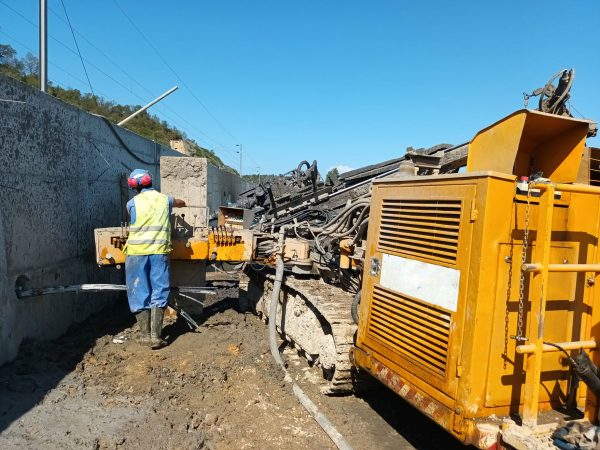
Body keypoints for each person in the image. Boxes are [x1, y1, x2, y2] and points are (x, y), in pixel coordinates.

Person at [124, 169, 186, 349]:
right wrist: (181, 202)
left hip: (136, 252)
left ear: (134, 186)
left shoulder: (131, 203)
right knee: (160, 288)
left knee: (138, 290)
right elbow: (180, 202)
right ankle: (156, 336)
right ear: (150, 180)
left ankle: (144, 335)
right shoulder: (165, 199)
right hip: (159, 251)